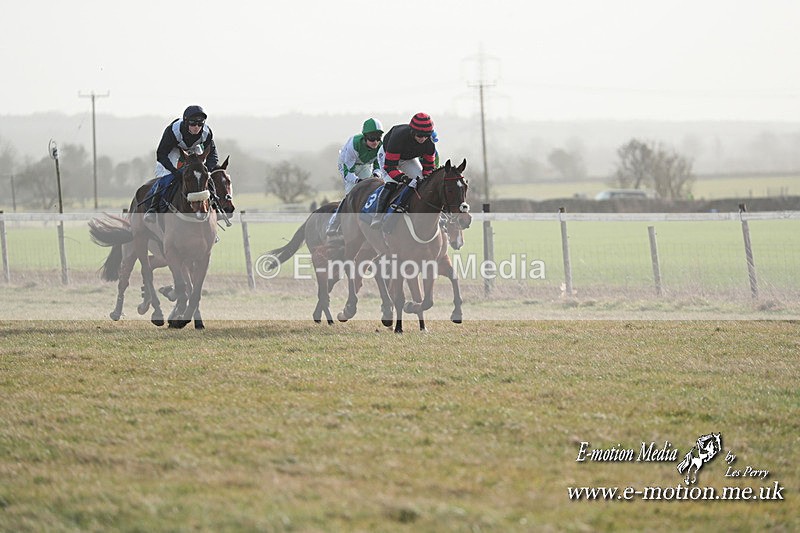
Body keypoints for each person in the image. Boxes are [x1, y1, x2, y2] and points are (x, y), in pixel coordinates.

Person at [144, 105, 219, 222]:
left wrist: (207, 170)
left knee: (204, 177)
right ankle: (153, 209)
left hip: (194, 149)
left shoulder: (207, 133)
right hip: (173, 150)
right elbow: (161, 154)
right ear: (185, 122)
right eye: (193, 124)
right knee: (166, 177)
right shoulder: (173, 131)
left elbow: (213, 155)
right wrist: (174, 171)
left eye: (200, 124)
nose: (196, 127)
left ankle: (217, 206)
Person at [370, 112, 436, 228]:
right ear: (413, 132)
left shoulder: (429, 144)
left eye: (426, 136)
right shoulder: (398, 137)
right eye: (420, 135)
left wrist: (426, 180)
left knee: (421, 181)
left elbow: (429, 168)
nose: (423, 139)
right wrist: (404, 179)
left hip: (408, 159)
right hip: (387, 155)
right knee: (392, 183)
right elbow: (390, 167)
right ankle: (378, 216)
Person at [326, 118, 384, 236]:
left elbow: (378, 164)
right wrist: (358, 180)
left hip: (365, 165)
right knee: (352, 193)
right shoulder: (354, 145)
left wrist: (376, 175)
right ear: (365, 137)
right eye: (372, 138)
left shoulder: (381, 146)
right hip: (348, 166)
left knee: (372, 190)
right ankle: (334, 223)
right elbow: (348, 172)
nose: (375, 142)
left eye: (378, 138)